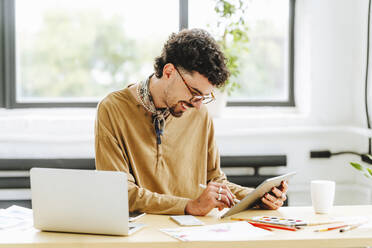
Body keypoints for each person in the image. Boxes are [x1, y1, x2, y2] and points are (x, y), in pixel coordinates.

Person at [95, 28, 288, 216]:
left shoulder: (200, 114)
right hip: (142, 235)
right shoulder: (112, 109)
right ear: (169, 71)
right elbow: (120, 192)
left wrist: (258, 197)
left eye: (204, 97)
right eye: (194, 93)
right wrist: (189, 206)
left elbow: (214, 181)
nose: (197, 105)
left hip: (194, 233)